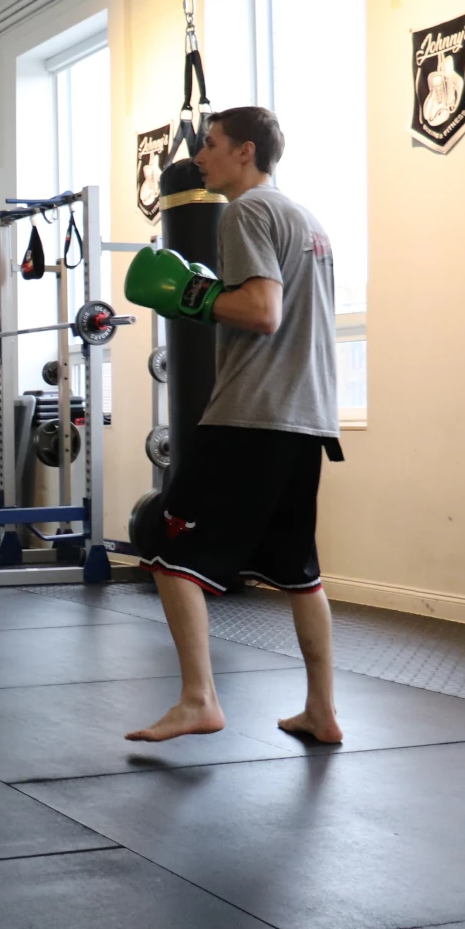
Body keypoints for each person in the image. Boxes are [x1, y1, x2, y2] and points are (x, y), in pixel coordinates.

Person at [121, 106, 344, 745]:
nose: (200, 157)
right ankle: (321, 711)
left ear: (245, 151)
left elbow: (263, 310)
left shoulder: (245, 211)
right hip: (307, 416)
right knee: (299, 570)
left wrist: (192, 296)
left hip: (254, 413)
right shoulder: (307, 220)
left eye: (212, 145)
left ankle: (199, 699)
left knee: (168, 552)